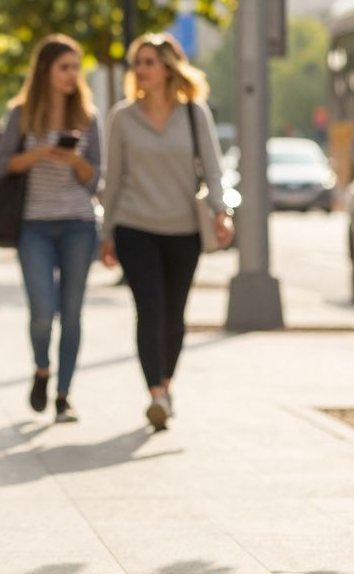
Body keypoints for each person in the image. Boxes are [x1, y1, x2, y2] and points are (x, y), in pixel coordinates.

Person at [100, 32, 233, 432]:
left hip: (183, 230)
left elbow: (212, 168)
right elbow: (114, 178)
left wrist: (221, 212)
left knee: (175, 316)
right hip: (134, 226)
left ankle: (167, 384)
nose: (140, 70)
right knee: (151, 309)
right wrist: (106, 233)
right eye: (137, 63)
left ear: (168, 68)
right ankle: (156, 393)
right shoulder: (122, 117)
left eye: (148, 62)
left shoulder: (194, 113)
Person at [0, 34, 102, 424]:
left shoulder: (88, 116)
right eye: (65, 67)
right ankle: (42, 368)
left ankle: (64, 395)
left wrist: (74, 161)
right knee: (43, 311)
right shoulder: (21, 114)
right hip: (33, 226)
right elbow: (2, 165)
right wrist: (36, 154)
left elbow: (95, 178)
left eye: (76, 67)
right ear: (46, 71)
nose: (73, 75)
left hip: (79, 224)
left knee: (71, 314)